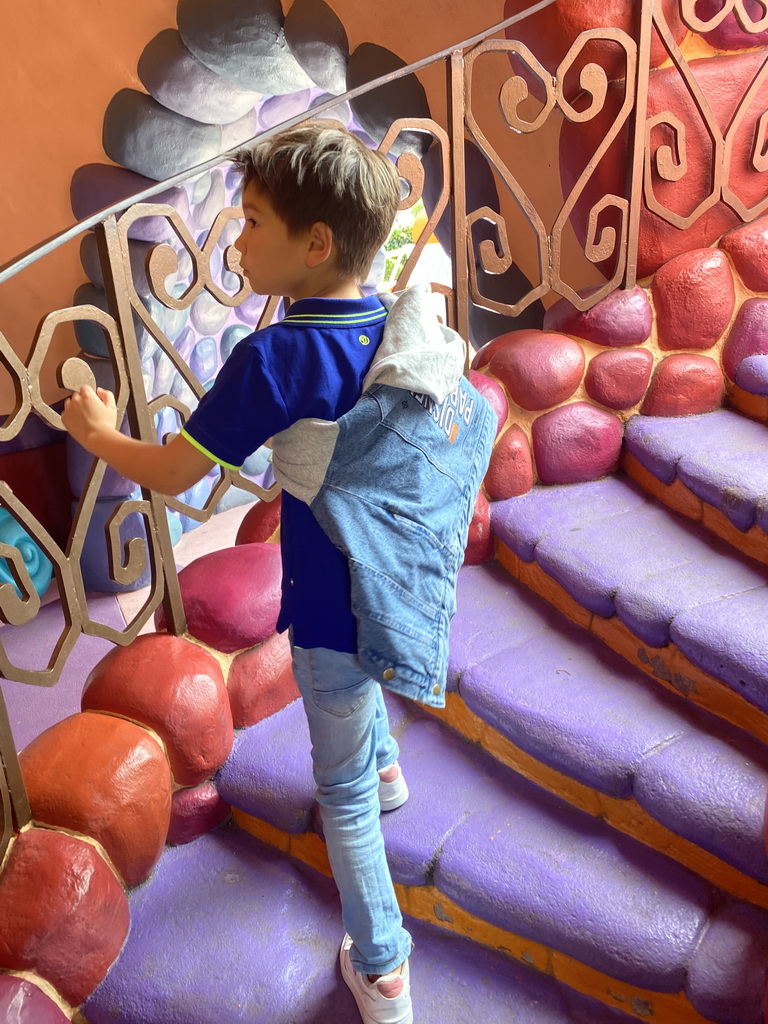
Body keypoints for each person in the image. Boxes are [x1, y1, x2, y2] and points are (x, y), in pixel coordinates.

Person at [61, 121, 494, 1024]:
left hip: (331, 598)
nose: (240, 235)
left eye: (253, 220)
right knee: (356, 713)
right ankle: (384, 770)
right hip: (395, 568)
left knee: (333, 785)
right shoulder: (397, 326)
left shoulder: (274, 358)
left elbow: (182, 473)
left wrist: (99, 435)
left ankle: (380, 967)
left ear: (317, 243)